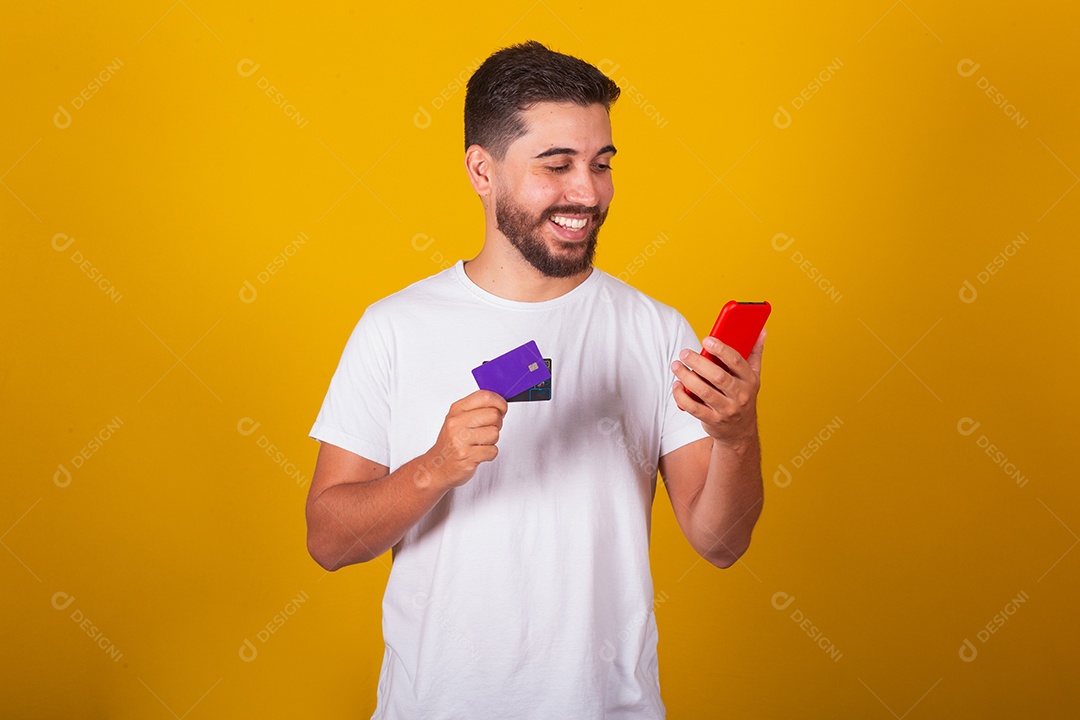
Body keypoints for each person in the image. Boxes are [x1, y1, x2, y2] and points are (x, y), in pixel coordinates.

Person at [306, 40, 765, 720]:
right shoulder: (394, 328)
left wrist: (736, 435)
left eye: (600, 164)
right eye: (557, 166)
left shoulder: (656, 331)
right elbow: (327, 541)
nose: (587, 192)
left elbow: (720, 544)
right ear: (481, 170)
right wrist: (433, 468)